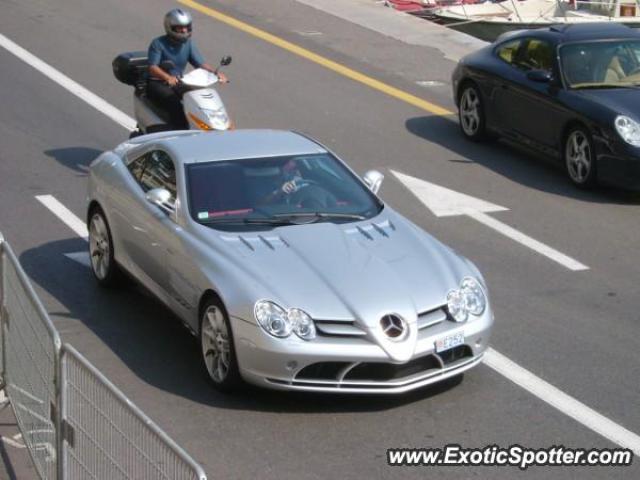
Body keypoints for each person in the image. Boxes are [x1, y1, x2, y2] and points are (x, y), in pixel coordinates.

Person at [147, 8, 228, 129]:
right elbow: (152, 67)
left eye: (187, 27)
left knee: (196, 100)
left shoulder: (188, 43)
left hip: (179, 82)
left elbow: (200, 64)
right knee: (174, 104)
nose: (184, 30)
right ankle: (179, 132)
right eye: (180, 27)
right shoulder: (158, 43)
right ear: (170, 27)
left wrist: (216, 73)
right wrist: (167, 77)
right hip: (158, 83)